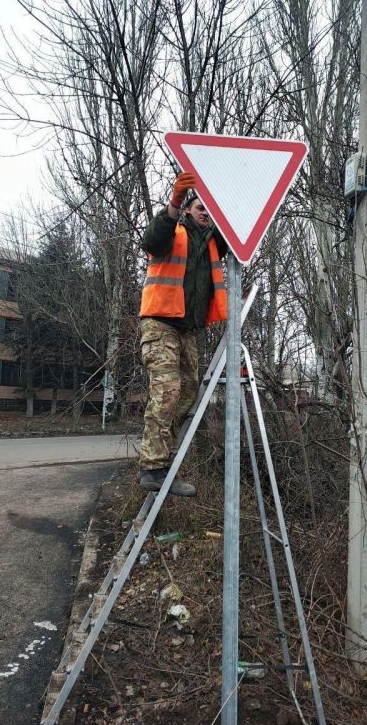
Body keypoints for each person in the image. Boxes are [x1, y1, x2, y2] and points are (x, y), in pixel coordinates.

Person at [137, 171, 228, 496]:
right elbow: (151, 240)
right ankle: (153, 468)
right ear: (188, 209)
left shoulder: (214, 242)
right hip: (160, 323)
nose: (206, 213)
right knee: (168, 392)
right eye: (201, 207)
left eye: (210, 210)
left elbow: (239, 235)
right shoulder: (171, 231)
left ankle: (166, 459)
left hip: (188, 330)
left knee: (188, 392)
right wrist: (174, 202)